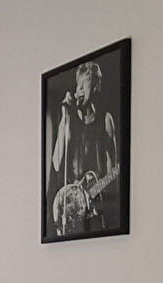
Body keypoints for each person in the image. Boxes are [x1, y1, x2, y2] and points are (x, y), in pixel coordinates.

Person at [48, 59, 119, 235]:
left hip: (95, 210)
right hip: (71, 209)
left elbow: (114, 172)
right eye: (77, 85)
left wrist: (92, 193)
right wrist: (64, 119)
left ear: (94, 87)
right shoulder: (69, 120)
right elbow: (56, 162)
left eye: (83, 85)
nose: (78, 90)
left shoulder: (105, 120)